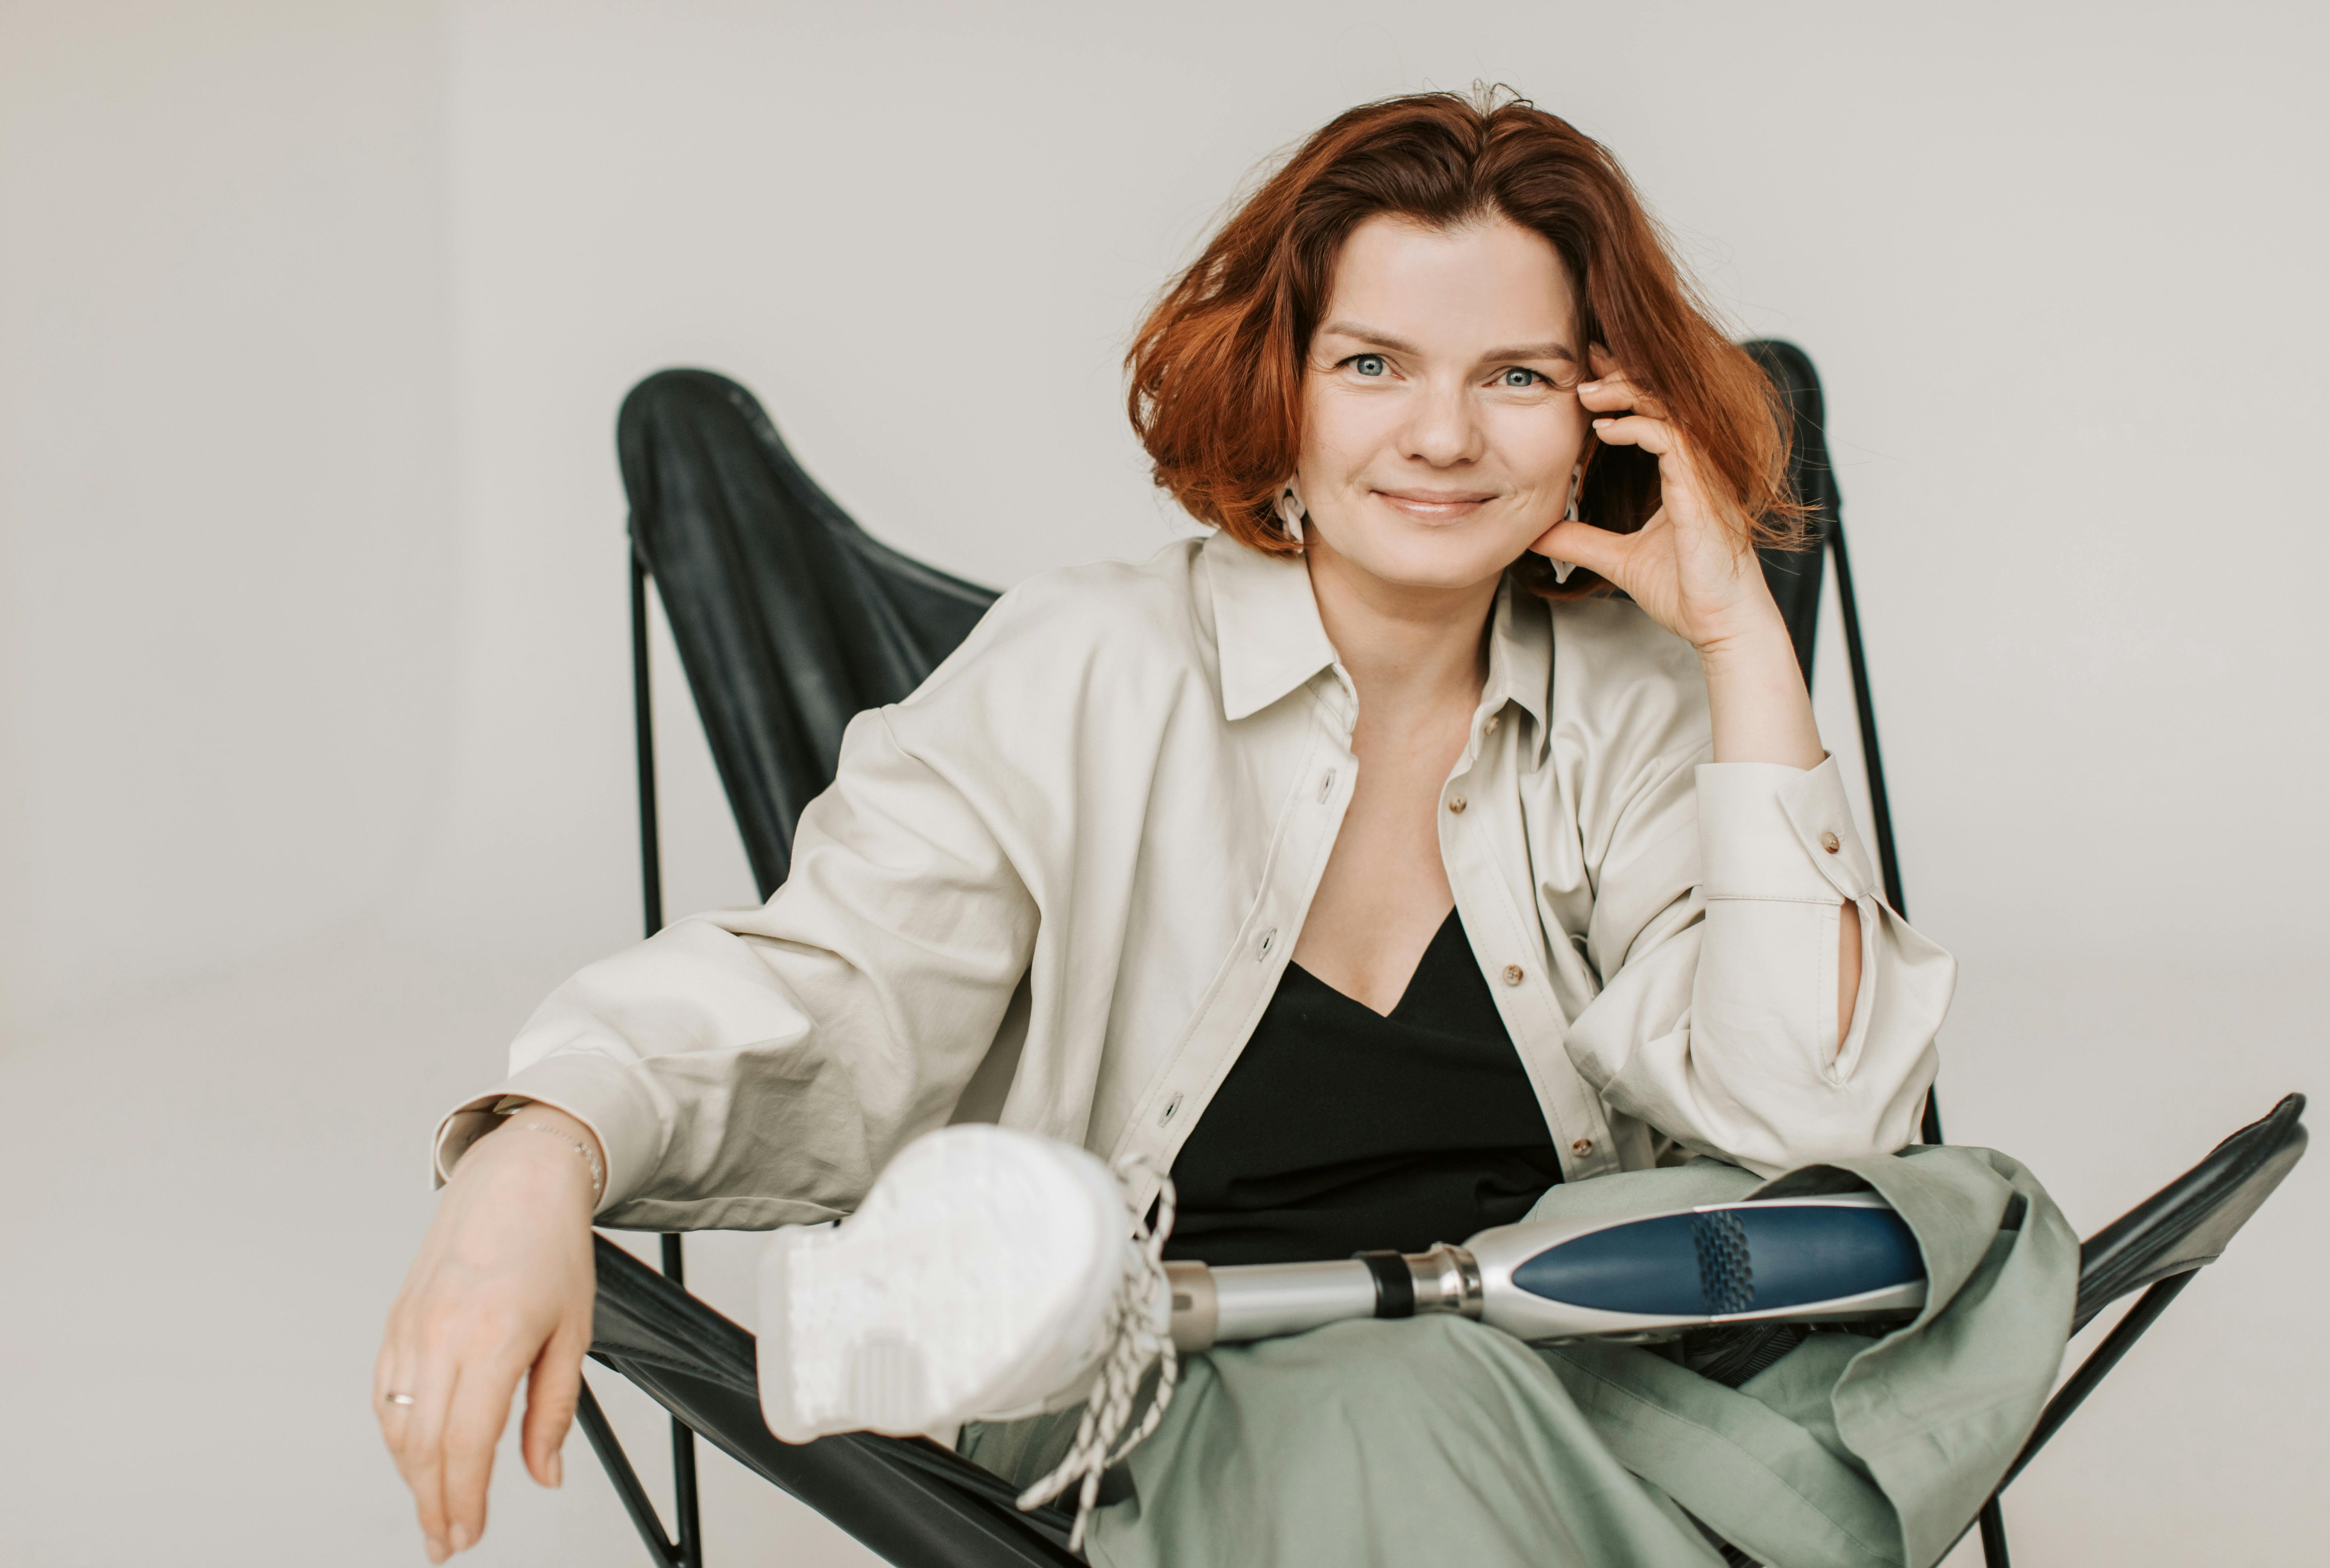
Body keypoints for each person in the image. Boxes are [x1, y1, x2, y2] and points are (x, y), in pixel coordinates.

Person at [377, 90, 2065, 1568]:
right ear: (1285, 388)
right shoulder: (1087, 667)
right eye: (1376, 363)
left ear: (1598, 418)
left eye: (1520, 375)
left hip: (1588, 1378)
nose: (1444, 435)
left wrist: (1736, 640)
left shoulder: (1635, 698)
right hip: (1165, 1399)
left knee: (1969, 1222)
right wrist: (545, 1144)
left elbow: (1813, 1119)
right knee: (1385, 1399)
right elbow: (831, 988)